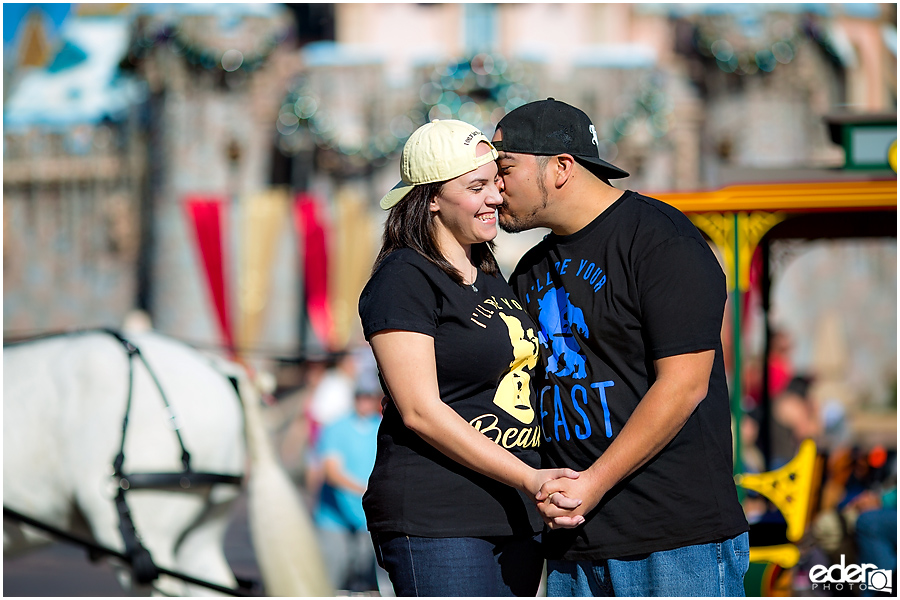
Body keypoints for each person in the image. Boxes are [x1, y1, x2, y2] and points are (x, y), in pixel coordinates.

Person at [491, 98, 750, 596]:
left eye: (505, 169)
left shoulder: (661, 240)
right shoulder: (529, 269)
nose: (496, 186)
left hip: (675, 542)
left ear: (562, 167)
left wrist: (592, 482)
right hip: (573, 546)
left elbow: (685, 386)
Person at [357, 119, 580, 596]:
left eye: (496, 182)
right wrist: (530, 477)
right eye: (476, 187)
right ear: (431, 197)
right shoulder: (404, 277)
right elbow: (421, 412)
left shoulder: (489, 271)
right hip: (440, 516)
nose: (496, 197)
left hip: (516, 515)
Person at [313, 379, 383, 593]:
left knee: (368, 584)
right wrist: (366, 490)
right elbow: (332, 473)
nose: (365, 402)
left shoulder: (380, 426)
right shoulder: (336, 427)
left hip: (367, 520)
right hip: (334, 520)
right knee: (332, 581)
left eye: (369, 397)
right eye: (360, 397)